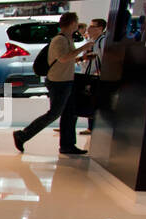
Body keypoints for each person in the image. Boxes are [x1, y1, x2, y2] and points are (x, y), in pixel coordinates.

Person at [14, 12, 86, 155]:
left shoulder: (67, 38)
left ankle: (68, 145)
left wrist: (80, 58)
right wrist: (83, 48)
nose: (77, 24)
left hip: (66, 81)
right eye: (76, 21)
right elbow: (63, 58)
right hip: (58, 82)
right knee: (54, 113)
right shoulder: (60, 40)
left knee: (69, 114)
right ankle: (23, 135)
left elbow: (65, 60)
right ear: (72, 23)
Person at [76, 18, 106, 135]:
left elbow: (103, 58)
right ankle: (90, 127)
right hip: (88, 74)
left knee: (92, 99)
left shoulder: (102, 41)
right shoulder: (92, 40)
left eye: (92, 26)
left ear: (99, 28)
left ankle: (92, 127)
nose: (89, 28)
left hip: (94, 76)